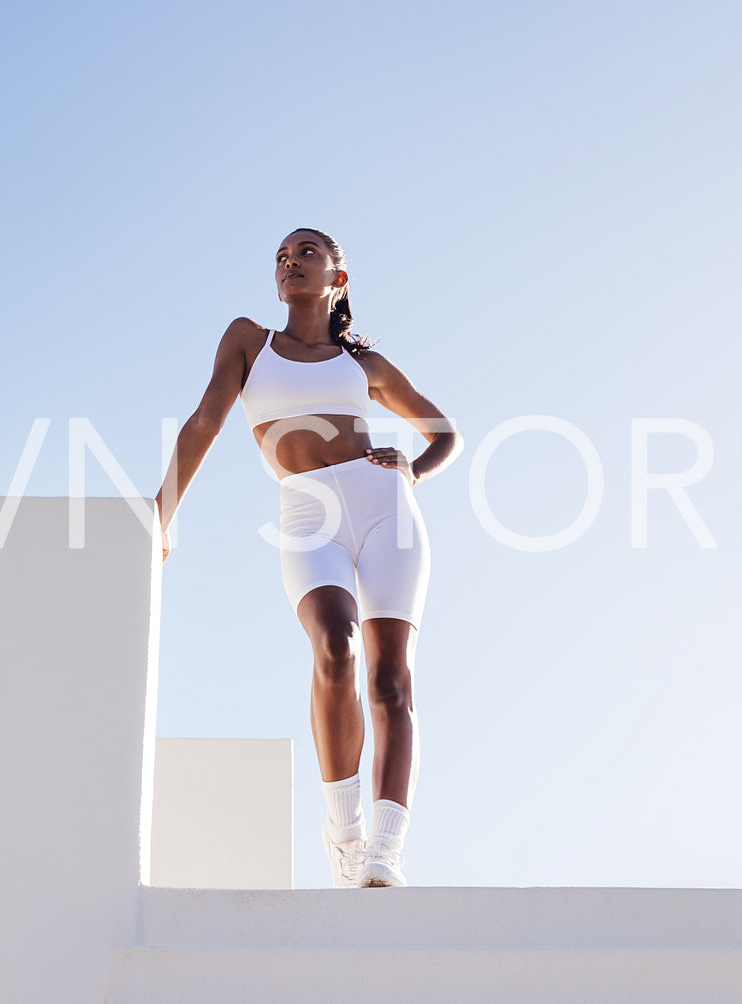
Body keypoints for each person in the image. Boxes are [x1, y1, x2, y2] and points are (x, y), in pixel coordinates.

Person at [154, 228, 461, 888]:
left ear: (337, 280)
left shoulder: (365, 367)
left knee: (390, 681)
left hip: (385, 508)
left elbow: (444, 431)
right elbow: (205, 419)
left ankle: (384, 848)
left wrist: (413, 467)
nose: (289, 261)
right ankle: (343, 831)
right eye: (281, 256)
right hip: (306, 511)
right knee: (334, 647)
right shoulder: (249, 340)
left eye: (307, 252)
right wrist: (162, 509)